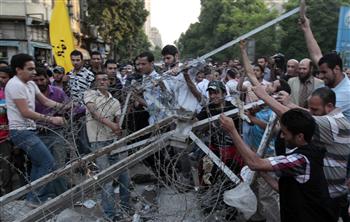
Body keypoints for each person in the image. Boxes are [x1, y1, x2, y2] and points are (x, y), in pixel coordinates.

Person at [253, 85, 350, 221]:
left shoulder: (333, 123)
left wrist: (264, 96)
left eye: (314, 109)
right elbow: (306, 115)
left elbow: (295, 119)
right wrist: (289, 103)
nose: (310, 112)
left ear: (329, 106)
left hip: (330, 197)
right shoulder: (332, 117)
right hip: (325, 194)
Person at [220, 109, 335, 222]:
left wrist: (232, 131)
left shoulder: (301, 160)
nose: (281, 137)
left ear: (300, 136)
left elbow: (254, 163)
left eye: (285, 133)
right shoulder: (309, 151)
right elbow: (283, 189)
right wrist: (262, 172)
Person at [6, 53, 66, 205]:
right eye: (30, 69)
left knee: (39, 163)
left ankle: (33, 198)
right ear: (18, 69)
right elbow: (25, 112)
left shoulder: (31, 84)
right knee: (48, 161)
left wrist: (65, 107)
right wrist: (51, 119)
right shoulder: (14, 85)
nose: (34, 72)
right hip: (20, 131)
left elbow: (45, 101)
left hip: (30, 130)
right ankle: (35, 197)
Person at [84, 72, 129, 220]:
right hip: (98, 141)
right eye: (99, 80)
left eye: (105, 79)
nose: (102, 82)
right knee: (106, 178)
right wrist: (112, 125)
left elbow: (119, 121)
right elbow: (94, 112)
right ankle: (110, 214)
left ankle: (126, 207)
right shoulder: (90, 95)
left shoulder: (115, 102)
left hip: (114, 141)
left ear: (109, 82)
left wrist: (118, 131)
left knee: (124, 175)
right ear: (95, 83)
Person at [300, 15, 350, 121]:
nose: (320, 76)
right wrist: (306, 29)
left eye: (324, 72)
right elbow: (316, 55)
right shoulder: (330, 77)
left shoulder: (347, 92)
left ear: (336, 69)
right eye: (320, 72)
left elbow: (316, 114)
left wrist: (288, 105)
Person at [196, 80, 243, 178]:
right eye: (210, 93)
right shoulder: (208, 109)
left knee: (233, 177)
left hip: (232, 151)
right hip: (214, 150)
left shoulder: (232, 109)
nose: (213, 96)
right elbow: (196, 122)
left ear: (224, 93)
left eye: (216, 93)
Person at [33, 67, 69, 168]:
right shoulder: (29, 94)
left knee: (59, 164)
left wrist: (64, 119)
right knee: (42, 165)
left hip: (56, 133)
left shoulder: (58, 92)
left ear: (48, 79)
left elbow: (68, 108)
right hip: (37, 134)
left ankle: (60, 183)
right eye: (36, 80)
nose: (39, 83)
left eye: (42, 79)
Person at [68, 50, 95, 155]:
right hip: (73, 111)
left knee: (85, 137)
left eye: (78, 60)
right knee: (77, 137)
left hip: (85, 110)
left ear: (82, 60)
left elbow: (93, 92)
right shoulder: (70, 74)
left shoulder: (89, 75)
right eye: (73, 60)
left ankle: (88, 160)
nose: (75, 62)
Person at [137, 52, 171, 124]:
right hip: (150, 119)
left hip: (161, 121)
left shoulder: (158, 80)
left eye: (143, 64)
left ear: (152, 63)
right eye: (139, 64)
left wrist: (139, 100)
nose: (140, 67)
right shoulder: (144, 78)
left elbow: (157, 106)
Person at [0, 66, 13, 196]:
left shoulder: (10, 94)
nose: (1, 80)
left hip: (5, 138)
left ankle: (7, 198)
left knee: (6, 170)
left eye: (4, 77)